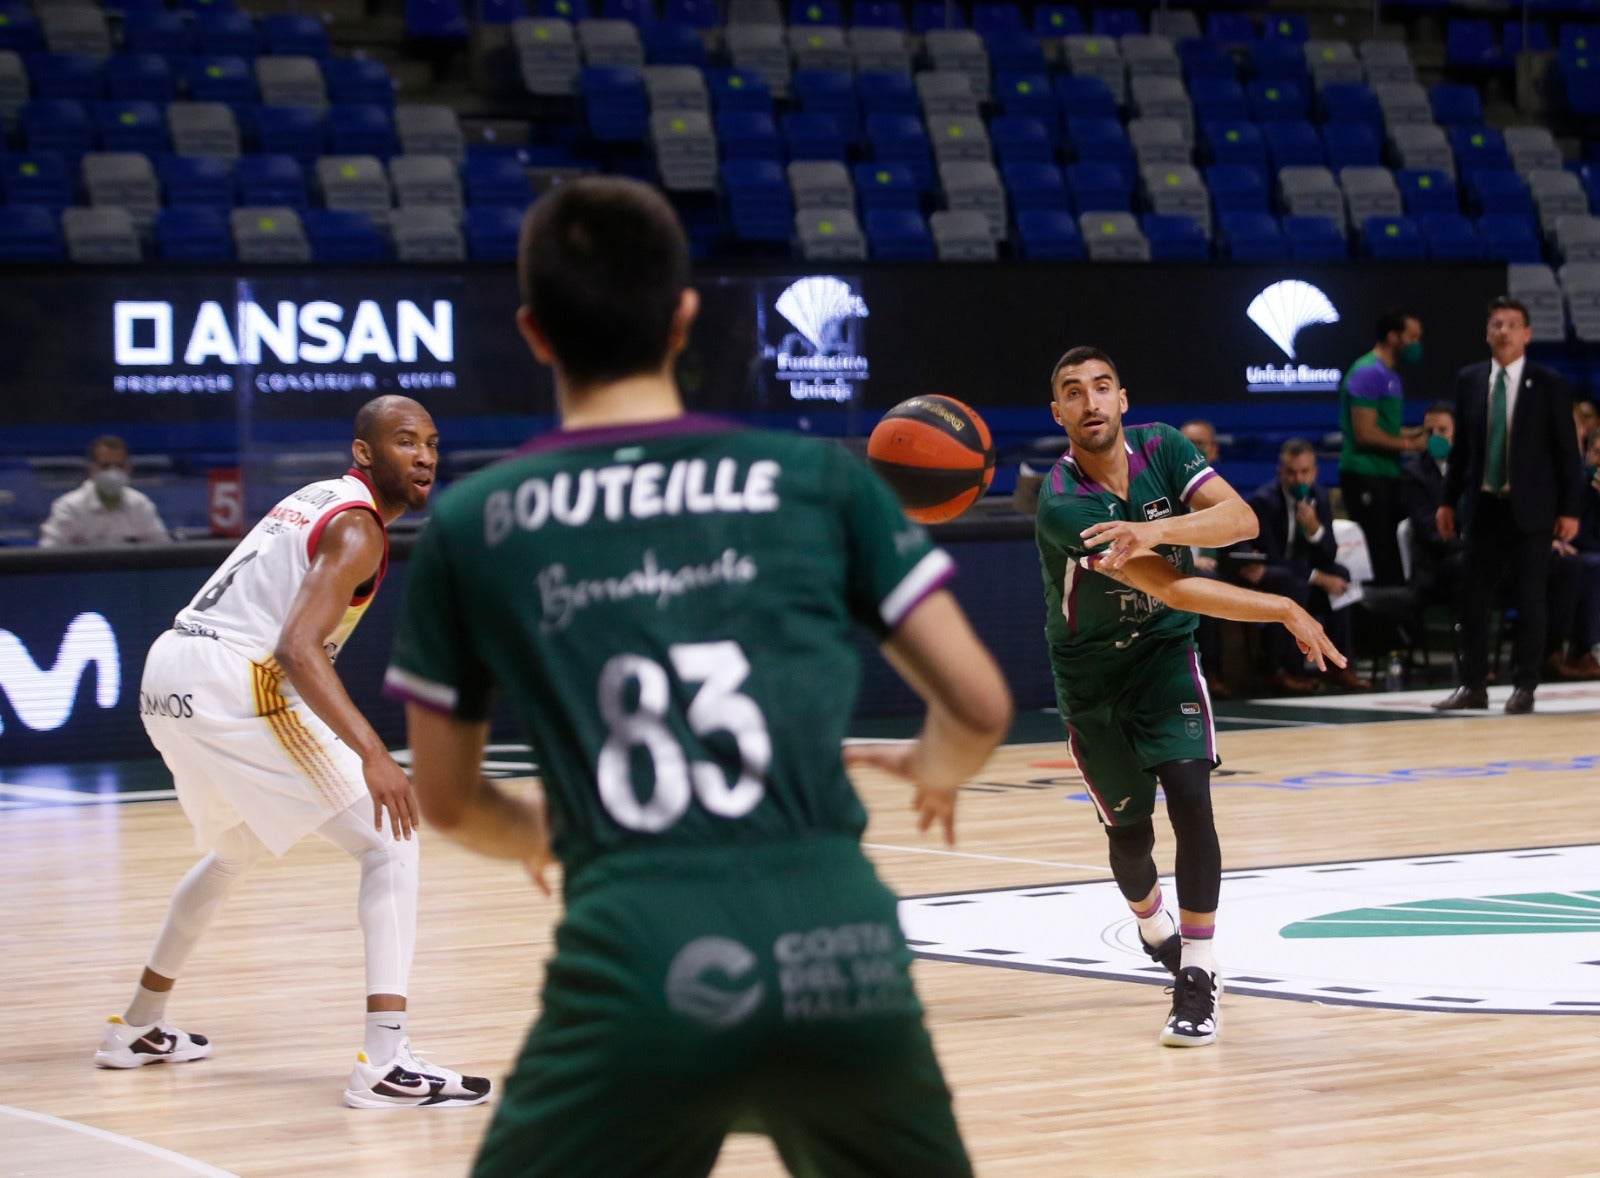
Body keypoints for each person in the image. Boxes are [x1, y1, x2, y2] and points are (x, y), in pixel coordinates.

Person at [383, 177, 1013, 1177]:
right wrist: (933, 764)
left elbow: (450, 801)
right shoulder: (821, 480)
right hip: (840, 946)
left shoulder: (473, 524)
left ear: (535, 332)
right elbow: (980, 705)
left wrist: (554, 824)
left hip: (637, 952)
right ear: (683, 317)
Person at [95, 396, 492, 1110]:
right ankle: (386, 1062)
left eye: (432, 442)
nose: (425, 456)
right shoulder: (357, 526)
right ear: (365, 452)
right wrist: (373, 753)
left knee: (232, 852)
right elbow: (297, 649)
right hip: (233, 680)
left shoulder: (319, 498)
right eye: (406, 441)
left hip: (171, 677)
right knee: (390, 841)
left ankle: (138, 1026)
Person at [1035, 347, 1344, 1049]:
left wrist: (1156, 528)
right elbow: (1171, 584)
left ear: (1123, 400)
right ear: (1059, 414)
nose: (1090, 401)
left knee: (1191, 793)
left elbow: (1241, 520)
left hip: (1165, 656)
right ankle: (1153, 927)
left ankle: (1197, 973)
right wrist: (1284, 609)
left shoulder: (1164, 449)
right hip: (1090, 679)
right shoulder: (1063, 501)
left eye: (1102, 387)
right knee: (1132, 840)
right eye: (1073, 392)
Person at [1435, 296, 1584, 715]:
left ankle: (1525, 686)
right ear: (1487, 332)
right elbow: (1461, 449)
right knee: (1473, 598)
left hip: (1532, 509)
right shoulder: (1470, 380)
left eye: (1512, 324)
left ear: (1527, 334)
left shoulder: (1548, 382)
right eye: (1496, 324)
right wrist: (1447, 501)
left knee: (1530, 597)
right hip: (1483, 506)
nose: (1503, 331)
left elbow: (1566, 453)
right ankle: (1473, 685)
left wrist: (1570, 509)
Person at [1235, 440, 1373, 694]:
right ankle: (1285, 670)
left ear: (1315, 472)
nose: (1298, 478)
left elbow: (1329, 552)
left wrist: (1314, 528)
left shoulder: (1319, 496)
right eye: (1291, 472)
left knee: (1341, 575)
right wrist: (1318, 577)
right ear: (1280, 472)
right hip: (1271, 575)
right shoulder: (1264, 501)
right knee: (1291, 583)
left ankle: (1338, 665)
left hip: (1301, 577)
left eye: (1304, 472)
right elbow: (1272, 558)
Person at [1337, 308, 1428, 587]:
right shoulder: (1367, 372)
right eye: (1411, 336)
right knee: (1375, 555)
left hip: (1385, 475)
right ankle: (1372, 624)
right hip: (1365, 474)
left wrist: (1415, 432)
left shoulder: (1388, 374)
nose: (1416, 343)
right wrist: (1408, 444)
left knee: (1389, 553)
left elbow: (1383, 427)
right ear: (1393, 337)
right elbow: (1365, 433)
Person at [39, 435, 171, 547]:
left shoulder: (140, 504)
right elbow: (49, 553)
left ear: (128, 469)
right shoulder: (69, 507)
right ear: (92, 469)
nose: (113, 473)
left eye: (119, 466)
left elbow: (161, 549)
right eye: (105, 466)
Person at [1179, 419, 1230, 699]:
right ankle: (1206, 673)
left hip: (1217, 571)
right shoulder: (1161, 487)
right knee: (1205, 582)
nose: (1193, 451)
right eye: (1187, 445)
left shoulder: (1223, 491)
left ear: (1215, 450)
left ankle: (1214, 673)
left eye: (1200, 445)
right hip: (1174, 570)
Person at [1399, 401, 1465, 604]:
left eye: (1442, 430)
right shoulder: (1414, 474)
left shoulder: (1473, 468)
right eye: (1429, 431)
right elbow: (1429, 533)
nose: (1436, 436)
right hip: (1436, 562)